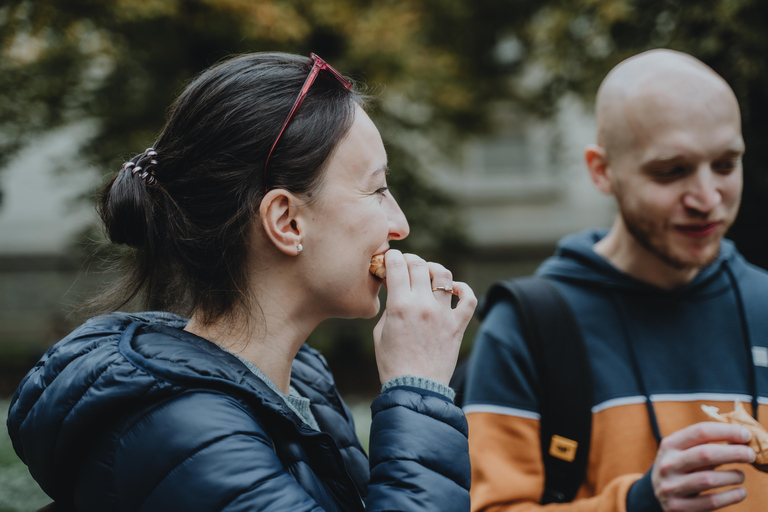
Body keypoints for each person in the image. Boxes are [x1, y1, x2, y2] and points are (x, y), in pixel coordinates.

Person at [7, 52, 477, 511]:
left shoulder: (304, 384)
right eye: (377, 189)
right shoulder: (187, 432)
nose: (400, 225)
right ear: (286, 221)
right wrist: (418, 388)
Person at [463, 49, 768, 512]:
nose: (708, 199)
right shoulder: (527, 330)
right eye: (671, 171)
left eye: (726, 165)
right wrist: (636, 503)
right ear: (602, 171)